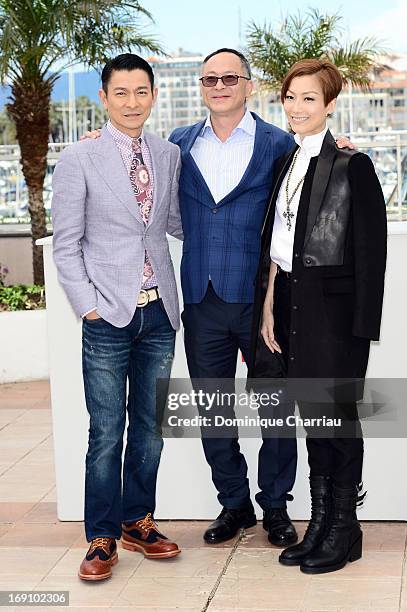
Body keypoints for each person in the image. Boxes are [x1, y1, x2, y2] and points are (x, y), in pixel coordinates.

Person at [169, 48, 353, 547]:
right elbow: (137, 172)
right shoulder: (177, 143)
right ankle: (233, 504)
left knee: (275, 409)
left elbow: (319, 173)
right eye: (210, 78)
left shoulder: (280, 144)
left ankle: (276, 506)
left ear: (248, 86)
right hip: (202, 300)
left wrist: (348, 154)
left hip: (263, 304)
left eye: (230, 77)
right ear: (201, 86)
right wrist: (100, 138)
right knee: (213, 409)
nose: (220, 85)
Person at [248, 58, 387, 574]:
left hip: (335, 315)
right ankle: (322, 524)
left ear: (330, 105)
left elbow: (373, 258)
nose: (297, 107)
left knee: (338, 422)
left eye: (309, 98)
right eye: (290, 97)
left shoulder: (353, 165)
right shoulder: (288, 163)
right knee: (313, 420)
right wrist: (267, 304)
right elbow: (279, 246)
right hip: (289, 306)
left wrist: (360, 334)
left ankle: (344, 529)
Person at [52, 53, 183, 582]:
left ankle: (138, 521)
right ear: (104, 98)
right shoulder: (77, 159)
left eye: (141, 92)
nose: (132, 102)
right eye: (121, 93)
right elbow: (67, 246)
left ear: (153, 96)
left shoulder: (169, 154)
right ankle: (101, 536)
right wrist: (90, 306)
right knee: (106, 430)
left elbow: (175, 222)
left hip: (160, 313)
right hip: (107, 315)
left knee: (150, 429)